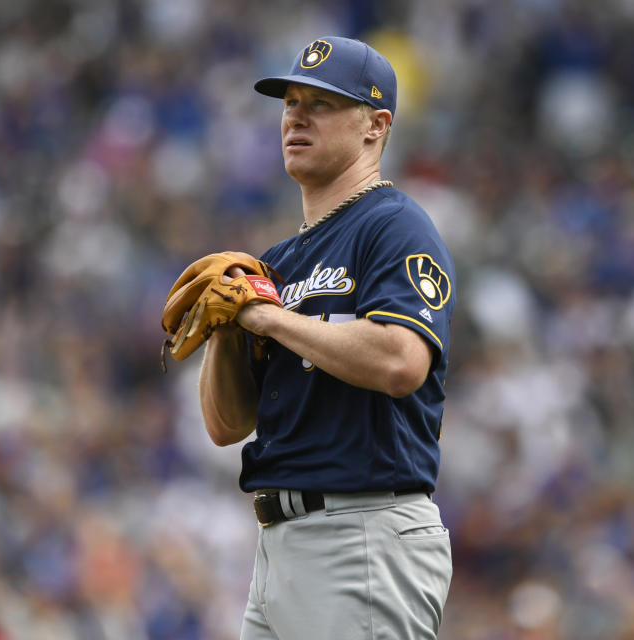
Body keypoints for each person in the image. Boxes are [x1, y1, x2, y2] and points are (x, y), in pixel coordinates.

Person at [199, 36, 456, 640]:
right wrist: (224, 328)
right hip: (279, 546)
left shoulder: (394, 224)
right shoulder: (278, 261)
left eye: (322, 102)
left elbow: (402, 360)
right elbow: (226, 426)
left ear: (376, 125)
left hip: (362, 535)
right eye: (290, 102)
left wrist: (270, 320)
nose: (296, 115)